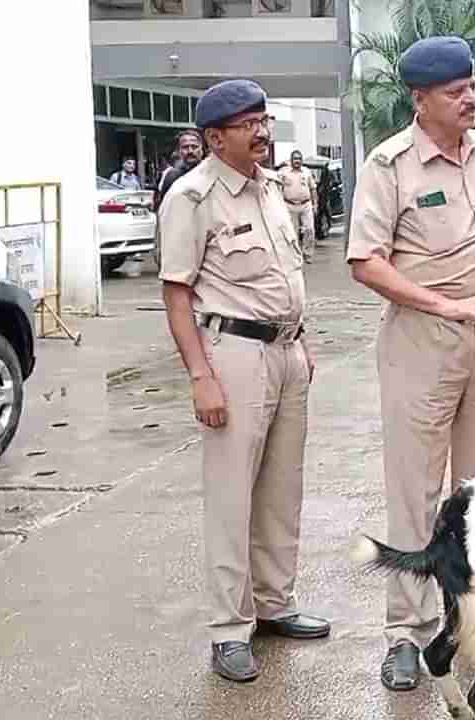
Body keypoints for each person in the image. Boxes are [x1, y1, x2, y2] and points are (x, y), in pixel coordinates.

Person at [345, 35, 475, 692]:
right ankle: (402, 633)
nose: (470, 98)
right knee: (414, 491)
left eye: (471, 85)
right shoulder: (391, 166)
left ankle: (465, 615)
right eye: (454, 90)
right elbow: (365, 262)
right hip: (421, 343)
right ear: (420, 99)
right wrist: (448, 304)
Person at [159, 79, 329, 683]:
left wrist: (301, 341)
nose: (262, 131)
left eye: (264, 119)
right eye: (248, 123)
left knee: (282, 488)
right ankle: (229, 630)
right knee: (232, 496)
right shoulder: (193, 197)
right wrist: (200, 375)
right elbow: (177, 294)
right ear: (214, 137)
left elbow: (283, 274)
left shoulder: (272, 188)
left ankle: (274, 604)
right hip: (231, 353)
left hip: (286, 352)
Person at [154, 130, 206, 271]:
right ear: (179, 151)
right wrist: (160, 247)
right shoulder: (171, 177)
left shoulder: (212, 173)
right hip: (180, 241)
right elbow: (162, 212)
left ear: (202, 149)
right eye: (185, 147)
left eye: (194, 147)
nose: (190, 151)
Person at [280, 150, 319, 263]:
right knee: (293, 232)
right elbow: (277, 188)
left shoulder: (307, 172)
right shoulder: (284, 173)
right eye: (295, 159)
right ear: (291, 160)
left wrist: (315, 204)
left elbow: (313, 189)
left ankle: (308, 254)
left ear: (302, 160)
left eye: (299, 159)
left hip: (306, 205)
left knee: (309, 229)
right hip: (289, 205)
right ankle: (295, 255)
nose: (297, 161)